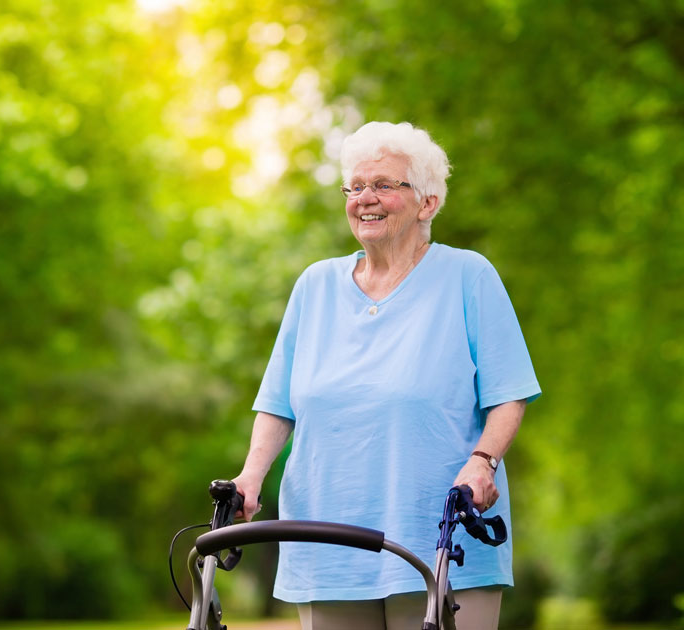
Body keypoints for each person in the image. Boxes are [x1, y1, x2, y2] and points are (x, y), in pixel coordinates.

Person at [232, 121, 541, 630]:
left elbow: (509, 394)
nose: (364, 199)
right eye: (354, 187)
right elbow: (278, 403)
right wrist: (250, 475)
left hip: (441, 536)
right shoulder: (315, 286)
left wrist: (483, 461)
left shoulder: (468, 276)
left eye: (382, 185)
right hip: (327, 541)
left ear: (428, 203)